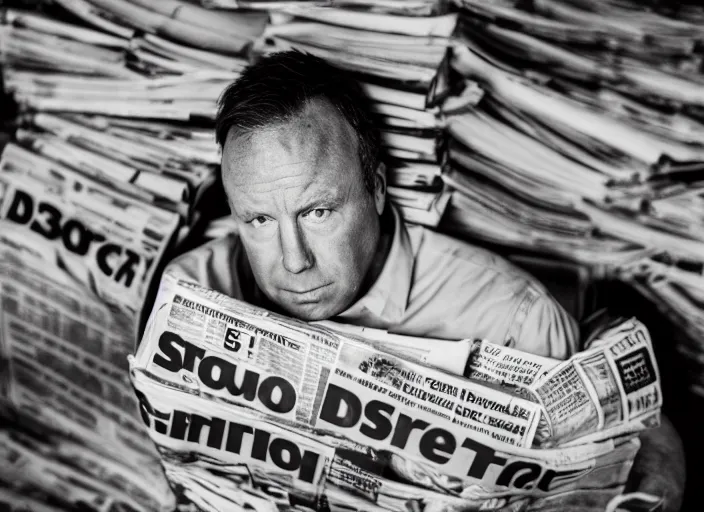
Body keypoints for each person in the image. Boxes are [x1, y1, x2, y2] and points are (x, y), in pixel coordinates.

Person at [167, 50, 685, 511]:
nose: (294, 260)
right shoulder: (192, 291)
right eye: (259, 221)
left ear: (375, 190)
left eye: (318, 211)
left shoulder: (510, 317)